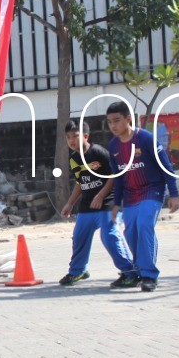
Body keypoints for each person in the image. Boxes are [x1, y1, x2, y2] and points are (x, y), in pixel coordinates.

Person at [104, 101, 179, 292]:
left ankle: (149, 275)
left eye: (117, 120)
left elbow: (166, 167)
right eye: (109, 122)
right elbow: (118, 177)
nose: (113, 126)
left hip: (152, 191)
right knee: (130, 232)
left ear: (128, 119)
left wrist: (174, 194)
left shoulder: (146, 139)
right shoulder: (113, 146)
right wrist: (116, 203)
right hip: (130, 196)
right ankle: (139, 269)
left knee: (144, 225)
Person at [58, 119, 134, 286]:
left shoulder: (99, 153)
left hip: (108, 202)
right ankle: (78, 271)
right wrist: (70, 203)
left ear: (85, 136)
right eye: (68, 137)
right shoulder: (74, 159)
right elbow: (80, 182)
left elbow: (114, 176)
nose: (71, 140)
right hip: (87, 205)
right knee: (79, 237)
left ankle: (130, 272)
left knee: (109, 235)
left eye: (75, 136)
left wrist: (100, 195)